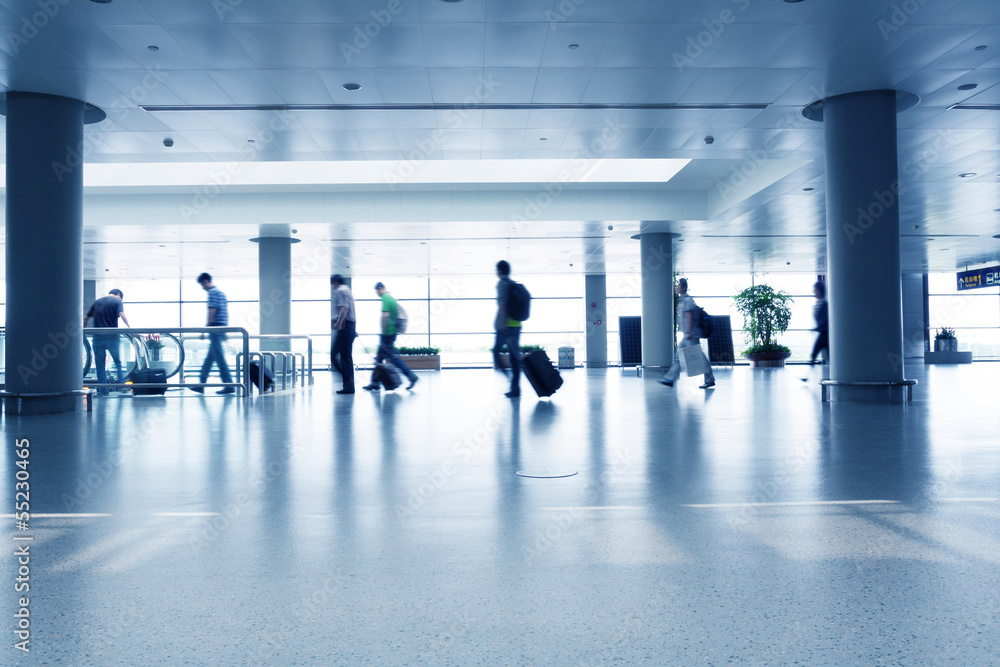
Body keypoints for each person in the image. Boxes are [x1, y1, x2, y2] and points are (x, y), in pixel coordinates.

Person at [661, 278, 715, 389]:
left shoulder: (688, 300)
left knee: (699, 358)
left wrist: (689, 332)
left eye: (678, 285)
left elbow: (689, 316)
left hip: (691, 335)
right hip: (687, 335)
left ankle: (710, 379)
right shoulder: (682, 300)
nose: (676, 287)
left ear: (684, 287)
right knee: (678, 357)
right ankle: (670, 379)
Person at [364, 282, 418, 392]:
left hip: (387, 334)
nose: (377, 293)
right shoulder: (391, 299)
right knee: (379, 358)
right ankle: (374, 383)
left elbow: (385, 316)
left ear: (380, 288)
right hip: (390, 333)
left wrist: (383, 331)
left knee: (392, 358)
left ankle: (411, 376)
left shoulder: (386, 298)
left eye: (377, 291)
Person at [192, 273, 234, 394]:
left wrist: (206, 329)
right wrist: (224, 330)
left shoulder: (212, 293)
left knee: (220, 359)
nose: (202, 288)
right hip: (220, 328)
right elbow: (225, 313)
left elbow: (212, 311)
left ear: (205, 281)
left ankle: (229, 385)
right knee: (209, 359)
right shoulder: (221, 293)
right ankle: (201, 384)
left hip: (215, 329)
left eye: (201, 285)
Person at [84, 288, 131, 395]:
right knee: (118, 363)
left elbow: (85, 318)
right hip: (112, 337)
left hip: (98, 337)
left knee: (100, 365)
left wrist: (84, 333)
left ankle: (103, 390)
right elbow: (122, 315)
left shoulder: (97, 302)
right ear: (119, 295)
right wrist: (131, 329)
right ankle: (121, 386)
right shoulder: (117, 302)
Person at [492, 260, 522, 398]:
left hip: (506, 326)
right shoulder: (512, 284)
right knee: (514, 358)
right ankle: (515, 388)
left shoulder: (502, 284)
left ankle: (510, 378)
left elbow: (503, 305)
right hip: (516, 325)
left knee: (496, 352)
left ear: (500, 271)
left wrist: (502, 325)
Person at [331, 274, 357, 394]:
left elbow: (344, 309)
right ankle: (349, 385)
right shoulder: (348, 290)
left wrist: (338, 324)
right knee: (346, 357)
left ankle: (349, 384)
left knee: (336, 356)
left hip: (345, 327)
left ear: (335, 282)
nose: (332, 287)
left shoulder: (341, 291)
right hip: (350, 326)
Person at [810, 281, 829, 365]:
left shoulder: (825, 305)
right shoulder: (818, 304)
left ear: (820, 291)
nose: (814, 293)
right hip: (823, 333)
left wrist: (816, 328)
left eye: (815, 290)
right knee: (814, 353)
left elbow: (826, 320)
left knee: (815, 353)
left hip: (825, 334)